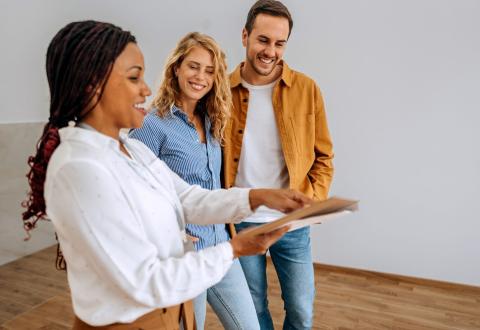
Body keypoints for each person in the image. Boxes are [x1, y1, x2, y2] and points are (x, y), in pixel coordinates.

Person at [21, 20, 311, 329]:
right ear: (93, 83)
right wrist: (235, 249)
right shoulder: (79, 168)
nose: (146, 89)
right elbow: (143, 281)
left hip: (171, 307)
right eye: (134, 77)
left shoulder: (130, 151)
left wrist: (258, 197)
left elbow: (187, 197)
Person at [130, 32, 260, 329]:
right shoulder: (152, 124)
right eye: (193, 66)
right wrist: (171, 233)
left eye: (210, 70)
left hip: (222, 246)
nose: (200, 76)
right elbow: (136, 192)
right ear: (176, 68)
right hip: (185, 256)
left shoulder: (213, 120)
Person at [222, 1, 335, 329]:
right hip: (242, 219)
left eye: (279, 43)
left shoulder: (307, 89)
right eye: (263, 40)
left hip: (292, 223)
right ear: (245, 36)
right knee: (253, 308)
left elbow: (324, 156)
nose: (270, 51)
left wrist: (311, 199)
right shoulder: (220, 92)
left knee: (301, 311)